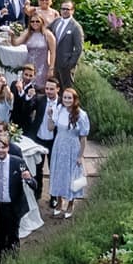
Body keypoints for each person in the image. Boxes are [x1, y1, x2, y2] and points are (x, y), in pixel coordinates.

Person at [44, 87, 91, 218]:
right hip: (59, 145)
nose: (67, 100)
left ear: (74, 99)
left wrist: (80, 155)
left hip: (72, 147)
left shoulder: (81, 115)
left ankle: (70, 204)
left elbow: (83, 137)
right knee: (59, 174)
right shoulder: (59, 109)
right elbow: (50, 128)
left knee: (73, 176)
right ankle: (59, 202)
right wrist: (49, 116)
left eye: (69, 98)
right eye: (65, 97)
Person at [0, 136, 29, 259]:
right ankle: (1, 262)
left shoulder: (17, 162)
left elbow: (33, 183)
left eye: (3, 147)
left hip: (13, 206)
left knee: (13, 236)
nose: (0, 150)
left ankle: (14, 262)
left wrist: (28, 178)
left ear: (8, 148)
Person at [13, 12, 55, 92]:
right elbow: (15, 43)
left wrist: (51, 68)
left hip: (42, 66)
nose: (34, 23)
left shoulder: (48, 35)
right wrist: (12, 35)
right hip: (30, 65)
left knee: (41, 89)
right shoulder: (28, 33)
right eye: (32, 21)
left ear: (42, 22)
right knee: (27, 87)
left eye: (37, 21)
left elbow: (53, 53)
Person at [52, 0, 85, 88]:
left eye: (68, 9)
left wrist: (70, 65)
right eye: (63, 9)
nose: (65, 11)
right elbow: (46, 30)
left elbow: (79, 49)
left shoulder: (76, 27)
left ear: (72, 11)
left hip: (66, 66)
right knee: (55, 90)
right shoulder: (57, 21)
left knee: (66, 91)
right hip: (54, 63)